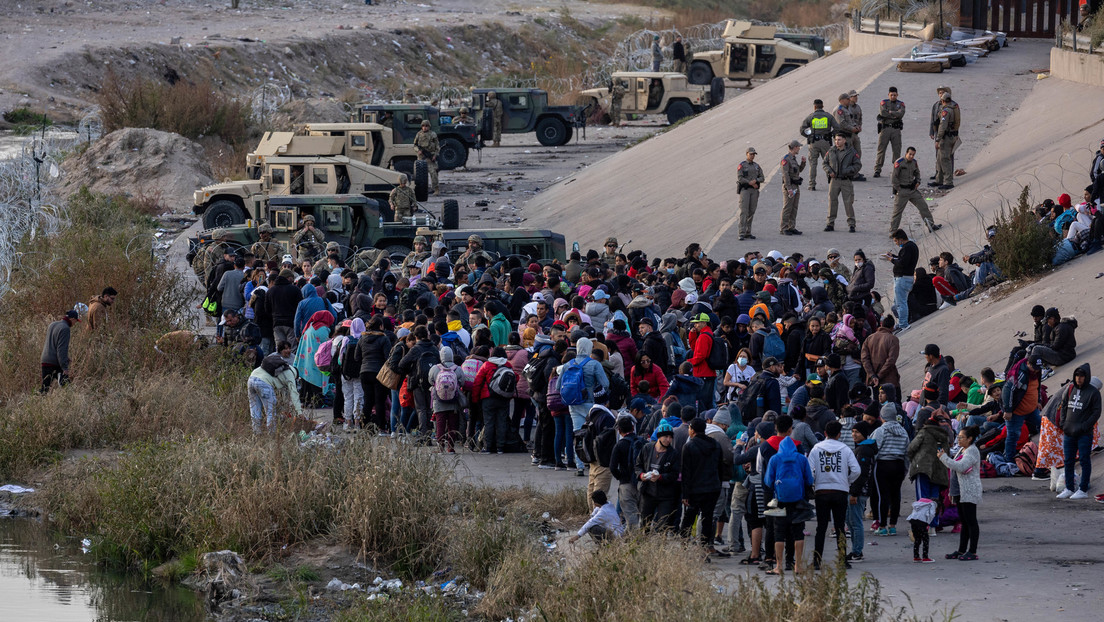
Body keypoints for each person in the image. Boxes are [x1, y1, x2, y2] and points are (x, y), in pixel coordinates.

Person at [807, 420, 860, 569]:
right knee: (840, 527)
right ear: (839, 434)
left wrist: (815, 483)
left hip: (821, 491)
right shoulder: (845, 449)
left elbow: (809, 471)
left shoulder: (816, 448)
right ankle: (842, 560)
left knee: (821, 527)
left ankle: (817, 561)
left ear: (825, 433)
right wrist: (846, 482)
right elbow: (856, 470)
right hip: (840, 492)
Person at [763, 435, 813, 576]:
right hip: (798, 501)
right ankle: (797, 565)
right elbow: (809, 479)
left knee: (779, 533)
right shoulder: (802, 459)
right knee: (798, 533)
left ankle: (778, 566)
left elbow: (768, 481)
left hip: (780, 501)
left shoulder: (775, 459)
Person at [680, 418, 728, 556]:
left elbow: (686, 472)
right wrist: (717, 485)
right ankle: (705, 548)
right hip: (712, 488)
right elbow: (720, 467)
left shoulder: (689, 446)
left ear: (692, 430)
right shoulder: (715, 444)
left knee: (689, 517)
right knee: (707, 518)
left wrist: (685, 494)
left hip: (695, 489)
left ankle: (683, 546)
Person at [1055, 364, 1101, 499]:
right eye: (1077, 375)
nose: (1079, 378)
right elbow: (1063, 406)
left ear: (1086, 377)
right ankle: (1069, 488)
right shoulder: (1070, 389)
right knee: (1068, 460)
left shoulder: (1093, 393)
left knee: (1084, 460)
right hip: (1069, 432)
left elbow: (1096, 412)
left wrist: (1084, 426)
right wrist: (1064, 424)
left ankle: (1083, 489)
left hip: (1084, 433)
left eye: (1081, 376)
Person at [939, 425, 982, 561]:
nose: (958, 440)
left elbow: (960, 466)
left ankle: (972, 551)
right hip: (960, 491)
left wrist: (943, 458)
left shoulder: (972, 451)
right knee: (964, 521)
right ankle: (962, 550)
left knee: (971, 521)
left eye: (961, 437)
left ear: (970, 439)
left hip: (969, 490)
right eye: (958, 437)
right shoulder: (963, 450)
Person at [636, 420, 682, 531]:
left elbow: (674, 475)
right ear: (659, 437)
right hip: (647, 493)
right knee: (644, 525)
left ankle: (659, 547)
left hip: (665, 496)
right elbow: (638, 465)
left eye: (670, 437)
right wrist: (641, 475)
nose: (668, 440)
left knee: (662, 526)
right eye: (666, 437)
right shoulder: (647, 448)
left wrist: (660, 477)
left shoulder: (673, 454)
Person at [871, 402, 909, 536]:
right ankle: (893, 525)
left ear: (883, 417)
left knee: (883, 496)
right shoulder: (903, 431)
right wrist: (905, 469)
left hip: (883, 465)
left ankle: (882, 526)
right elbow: (906, 453)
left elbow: (875, 448)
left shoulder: (880, 430)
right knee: (895, 495)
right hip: (898, 465)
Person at [1001, 355, 1043, 464]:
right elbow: (1007, 390)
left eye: (1038, 368)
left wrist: (1038, 400)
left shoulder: (1037, 371)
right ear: (1028, 364)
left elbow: (1038, 387)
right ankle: (1009, 461)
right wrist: (1008, 410)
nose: (1036, 370)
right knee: (1013, 436)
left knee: (1046, 424)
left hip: (1032, 410)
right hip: (1017, 413)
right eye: (1034, 367)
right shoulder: (1021, 374)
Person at [248, 351, 302, 433]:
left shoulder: (281, 366)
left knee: (255, 410)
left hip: (251, 379)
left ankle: (256, 434)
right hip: (264, 383)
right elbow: (294, 394)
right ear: (296, 376)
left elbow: (284, 392)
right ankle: (271, 436)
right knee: (271, 412)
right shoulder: (290, 374)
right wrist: (299, 412)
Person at [847, 420, 877, 562]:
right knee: (851, 521)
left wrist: (854, 493)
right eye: (853, 431)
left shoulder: (864, 450)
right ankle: (855, 550)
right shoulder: (862, 448)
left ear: (864, 434)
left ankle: (857, 552)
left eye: (857, 432)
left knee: (855, 522)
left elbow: (862, 474)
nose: (854, 434)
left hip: (859, 492)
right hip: (858, 491)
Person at [890, 147, 940, 233]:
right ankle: (893, 231)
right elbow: (894, 178)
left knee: (923, 206)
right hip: (902, 191)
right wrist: (898, 189)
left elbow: (917, 173)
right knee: (897, 212)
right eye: (910, 154)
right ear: (906, 153)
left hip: (912, 190)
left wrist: (918, 181)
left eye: (913, 155)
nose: (911, 156)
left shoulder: (914, 162)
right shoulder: (899, 163)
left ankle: (931, 225)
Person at [428, 345, 468, 453]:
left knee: (440, 425)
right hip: (453, 401)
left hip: (438, 401)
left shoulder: (435, 368)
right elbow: (462, 382)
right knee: (452, 425)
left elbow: (430, 380)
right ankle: (451, 447)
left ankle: (440, 448)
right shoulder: (458, 368)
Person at [609, 416, 643, 528]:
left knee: (631, 518)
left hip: (626, 484)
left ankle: (634, 542)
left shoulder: (619, 445)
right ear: (633, 427)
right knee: (643, 517)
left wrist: (621, 477)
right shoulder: (641, 442)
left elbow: (613, 467)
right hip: (642, 483)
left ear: (619, 431)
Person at [823, 132, 860, 232]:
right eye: (835, 140)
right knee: (832, 202)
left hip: (846, 180)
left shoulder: (851, 152)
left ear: (844, 140)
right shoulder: (831, 150)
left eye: (839, 140)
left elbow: (857, 165)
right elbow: (824, 163)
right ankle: (830, 223)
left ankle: (851, 224)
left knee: (848, 203)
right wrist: (829, 171)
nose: (837, 142)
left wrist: (847, 171)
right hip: (834, 181)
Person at [799, 98, 838, 191]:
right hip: (826, 142)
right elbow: (837, 128)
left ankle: (812, 185)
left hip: (814, 143)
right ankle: (831, 183)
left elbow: (802, 129)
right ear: (823, 106)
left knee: (813, 164)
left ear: (814, 107)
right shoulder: (829, 116)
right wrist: (831, 135)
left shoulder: (811, 117)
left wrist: (809, 136)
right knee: (828, 162)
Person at [884, 229, 918, 332]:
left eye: (896, 241)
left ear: (901, 239)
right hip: (904, 277)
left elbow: (902, 263)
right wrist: (893, 256)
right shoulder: (910, 247)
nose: (896, 243)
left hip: (903, 278)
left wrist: (891, 260)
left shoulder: (908, 247)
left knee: (901, 303)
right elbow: (902, 258)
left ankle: (904, 324)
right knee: (898, 303)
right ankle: (902, 322)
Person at [41, 309, 79, 393]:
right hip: (55, 362)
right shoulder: (65, 328)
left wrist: (66, 358)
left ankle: (37, 403)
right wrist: (64, 367)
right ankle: (69, 403)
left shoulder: (52, 324)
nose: (74, 324)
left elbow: (53, 345)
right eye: (76, 321)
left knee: (44, 389)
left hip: (45, 360)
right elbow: (61, 349)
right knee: (67, 388)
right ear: (72, 319)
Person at [686, 313, 718, 411]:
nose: (695, 325)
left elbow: (700, 356)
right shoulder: (707, 334)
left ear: (704, 322)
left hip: (703, 374)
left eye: (697, 323)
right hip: (707, 374)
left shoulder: (704, 336)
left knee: (703, 404)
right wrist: (692, 334)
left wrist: (688, 362)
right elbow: (695, 349)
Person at [861, 316, 900, 388]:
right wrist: (878, 376)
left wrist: (872, 376)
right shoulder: (893, 339)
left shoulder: (869, 338)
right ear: (892, 327)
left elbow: (864, 359)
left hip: (874, 382)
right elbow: (891, 360)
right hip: (889, 380)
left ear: (881, 324)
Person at [874, 87, 905, 178]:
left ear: (897, 95)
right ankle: (877, 169)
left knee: (896, 150)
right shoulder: (884, 102)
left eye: (895, 95)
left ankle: (896, 170)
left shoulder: (901, 104)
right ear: (888, 95)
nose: (893, 96)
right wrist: (895, 114)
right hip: (885, 129)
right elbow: (883, 113)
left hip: (896, 130)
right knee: (881, 149)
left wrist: (890, 113)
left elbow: (901, 114)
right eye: (891, 95)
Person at [931, 91, 958, 190]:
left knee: (945, 159)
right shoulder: (953, 108)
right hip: (949, 137)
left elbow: (942, 126)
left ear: (942, 101)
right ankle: (939, 179)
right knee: (939, 159)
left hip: (945, 138)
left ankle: (948, 181)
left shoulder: (946, 111)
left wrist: (937, 139)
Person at [736, 147, 764, 241]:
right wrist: (749, 182)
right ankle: (741, 232)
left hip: (754, 191)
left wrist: (756, 180)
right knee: (744, 211)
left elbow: (762, 177)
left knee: (752, 211)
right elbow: (740, 178)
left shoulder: (756, 166)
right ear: (747, 154)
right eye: (751, 154)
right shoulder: (742, 165)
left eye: (753, 154)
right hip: (745, 190)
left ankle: (748, 231)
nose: (752, 156)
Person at [779, 140, 806, 236]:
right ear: (794, 147)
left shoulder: (793, 159)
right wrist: (788, 188)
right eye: (798, 147)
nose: (799, 148)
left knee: (794, 207)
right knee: (787, 207)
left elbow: (798, 171)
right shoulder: (786, 159)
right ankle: (784, 228)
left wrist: (803, 163)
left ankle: (792, 227)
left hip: (796, 185)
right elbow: (785, 175)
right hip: (790, 186)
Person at [414, 120, 440, 196]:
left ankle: (436, 189)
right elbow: (415, 145)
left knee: (433, 173)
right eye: (423, 126)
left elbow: (437, 146)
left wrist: (435, 155)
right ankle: (422, 190)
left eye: (426, 126)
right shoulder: (419, 134)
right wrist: (418, 151)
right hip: (421, 157)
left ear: (429, 126)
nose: (424, 128)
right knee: (421, 175)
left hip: (430, 157)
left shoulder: (433, 134)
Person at [907, 497, 937, 563]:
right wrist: (928, 523)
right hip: (922, 521)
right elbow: (931, 514)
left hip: (913, 520)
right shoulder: (932, 504)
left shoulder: (919, 503)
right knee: (925, 539)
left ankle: (916, 556)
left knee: (917, 539)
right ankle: (925, 557)